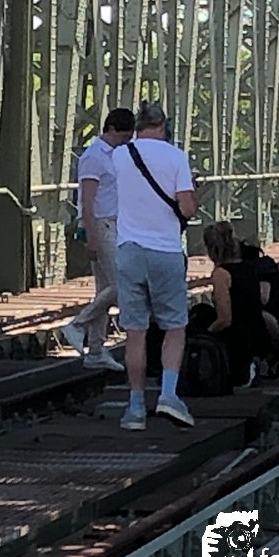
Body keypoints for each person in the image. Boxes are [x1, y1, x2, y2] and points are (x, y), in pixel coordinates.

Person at [111, 103, 198, 430]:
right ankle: (168, 396)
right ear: (163, 126)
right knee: (174, 327)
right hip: (165, 251)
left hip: (129, 250)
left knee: (135, 333)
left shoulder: (120, 155)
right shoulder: (176, 157)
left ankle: (135, 407)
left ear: (138, 126)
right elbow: (186, 209)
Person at [61, 108, 136, 371]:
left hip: (112, 224)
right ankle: (77, 324)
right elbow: (87, 200)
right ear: (111, 129)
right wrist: (91, 237)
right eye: (123, 137)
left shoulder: (114, 155)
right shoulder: (94, 157)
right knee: (121, 284)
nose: (125, 142)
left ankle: (95, 350)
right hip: (101, 225)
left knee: (104, 288)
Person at [202, 222, 267, 387]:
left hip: (237, 338)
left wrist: (205, 334)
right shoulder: (249, 268)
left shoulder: (221, 274)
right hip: (256, 334)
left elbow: (225, 319)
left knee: (201, 315)